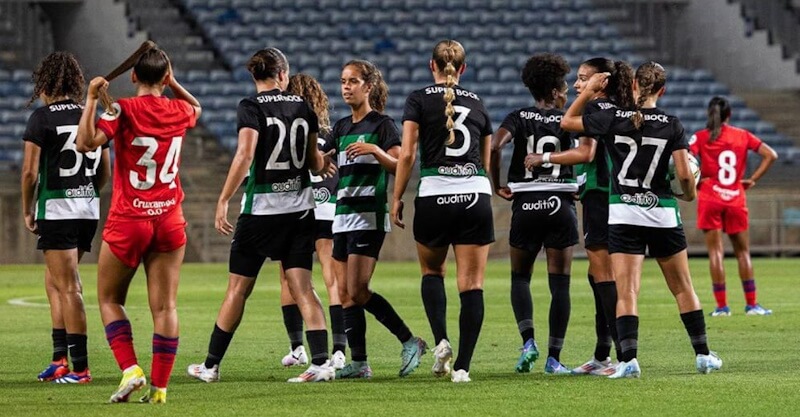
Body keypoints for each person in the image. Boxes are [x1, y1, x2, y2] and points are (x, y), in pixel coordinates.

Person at [558, 61, 723, 378]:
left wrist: (589, 91)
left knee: (627, 291)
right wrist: (688, 195)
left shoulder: (612, 117)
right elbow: (686, 176)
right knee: (683, 288)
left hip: (623, 213)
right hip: (662, 213)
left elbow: (567, 122)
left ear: (633, 85)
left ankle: (629, 360)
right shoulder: (672, 124)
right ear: (662, 90)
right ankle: (703, 355)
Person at [187, 48, 335, 384]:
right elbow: (314, 163)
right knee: (303, 287)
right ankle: (322, 363)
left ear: (256, 76)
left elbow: (245, 153)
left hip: (261, 212)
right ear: (283, 74)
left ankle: (210, 366)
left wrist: (223, 198)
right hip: (299, 211)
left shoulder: (250, 107)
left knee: (237, 289)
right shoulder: (303, 107)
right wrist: (324, 163)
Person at [76, 46, 201, 403]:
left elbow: (86, 142)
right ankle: (160, 387)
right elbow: (198, 108)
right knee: (166, 307)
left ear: (133, 77)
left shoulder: (122, 110)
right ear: (164, 78)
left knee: (109, 299)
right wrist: (174, 83)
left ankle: (131, 370)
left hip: (130, 219)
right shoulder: (179, 109)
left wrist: (91, 100)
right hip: (169, 219)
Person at [391, 40, 492, 383]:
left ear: (430, 65)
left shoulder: (417, 99)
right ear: (462, 69)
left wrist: (397, 196)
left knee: (432, 273)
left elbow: (406, 155)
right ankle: (462, 367)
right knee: (472, 284)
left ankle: (441, 343)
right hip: (475, 196)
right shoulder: (478, 102)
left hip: (434, 194)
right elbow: (488, 158)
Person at [527, 57, 635, 375]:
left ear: (601, 82)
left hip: (601, 197)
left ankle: (625, 358)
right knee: (597, 276)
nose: (576, 84)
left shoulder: (597, 108)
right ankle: (603, 356)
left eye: (583, 78)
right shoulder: (616, 110)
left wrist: (545, 156)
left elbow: (581, 144)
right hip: (606, 194)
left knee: (604, 277)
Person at [331, 59, 426, 379]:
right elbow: (324, 165)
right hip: (342, 215)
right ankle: (359, 363)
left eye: (353, 81)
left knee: (358, 290)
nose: (346, 87)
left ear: (368, 87)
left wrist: (374, 149)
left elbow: (400, 165)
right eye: (343, 81)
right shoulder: (341, 127)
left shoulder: (383, 126)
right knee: (345, 294)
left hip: (367, 215)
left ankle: (410, 340)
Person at [21, 51, 110, 384]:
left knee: (69, 286)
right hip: (86, 209)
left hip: (57, 209)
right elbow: (105, 171)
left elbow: (30, 173)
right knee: (55, 281)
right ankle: (59, 358)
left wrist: (28, 209)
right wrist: (86, 193)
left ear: (44, 83)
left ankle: (81, 367)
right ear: (75, 82)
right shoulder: (93, 114)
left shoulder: (42, 119)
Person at [490, 53, 576, 375]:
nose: (567, 92)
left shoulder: (517, 116)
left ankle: (528, 343)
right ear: (554, 92)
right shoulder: (568, 120)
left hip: (525, 205)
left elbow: (496, 146)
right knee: (561, 285)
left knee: (520, 278)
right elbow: (584, 153)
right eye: (564, 87)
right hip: (560, 204)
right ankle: (554, 359)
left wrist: (496, 183)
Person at [278, 73, 346, 370]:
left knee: (289, 279)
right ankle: (340, 349)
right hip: (328, 208)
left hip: (297, 210)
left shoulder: (290, 131)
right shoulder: (331, 133)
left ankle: (297, 348)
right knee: (333, 279)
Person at [689, 97, 777, 316]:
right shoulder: (742, 135)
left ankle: (722, 307)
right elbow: (771, 155)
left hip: (710, 196)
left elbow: (685, 159)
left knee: (715, 254)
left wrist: (697, 182)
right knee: (743, 253)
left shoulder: (700, 137)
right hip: (735, 196)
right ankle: (752, 305)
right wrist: (752, 179)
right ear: (729, 115)